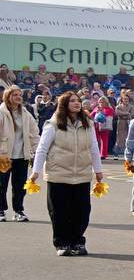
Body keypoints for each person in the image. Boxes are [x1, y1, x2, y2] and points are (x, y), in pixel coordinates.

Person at [29, 92, 105, 255]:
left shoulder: (88, 124)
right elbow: (42, 149)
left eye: (78, 101)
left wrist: (98, 171)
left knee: (82, 211)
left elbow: (93, 148)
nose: (77, 103)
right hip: (58, 174)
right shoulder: (53, 124)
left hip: (82, 174)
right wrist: (35, 172)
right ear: (64, 104)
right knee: (59, 211)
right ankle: (62, 243)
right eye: (72, 101)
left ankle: (77, 241)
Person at [0, 85, 40, 222]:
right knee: (1, 184)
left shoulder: (26, 113)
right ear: (7, 97)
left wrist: (38, 151)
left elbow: (34, 133)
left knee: (19, 185)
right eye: (14, 95)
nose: (18, 97)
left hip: (21, 156)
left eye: (19, 95)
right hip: (4, 156)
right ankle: (1, 211)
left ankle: (19, 211)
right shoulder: (1, 112)